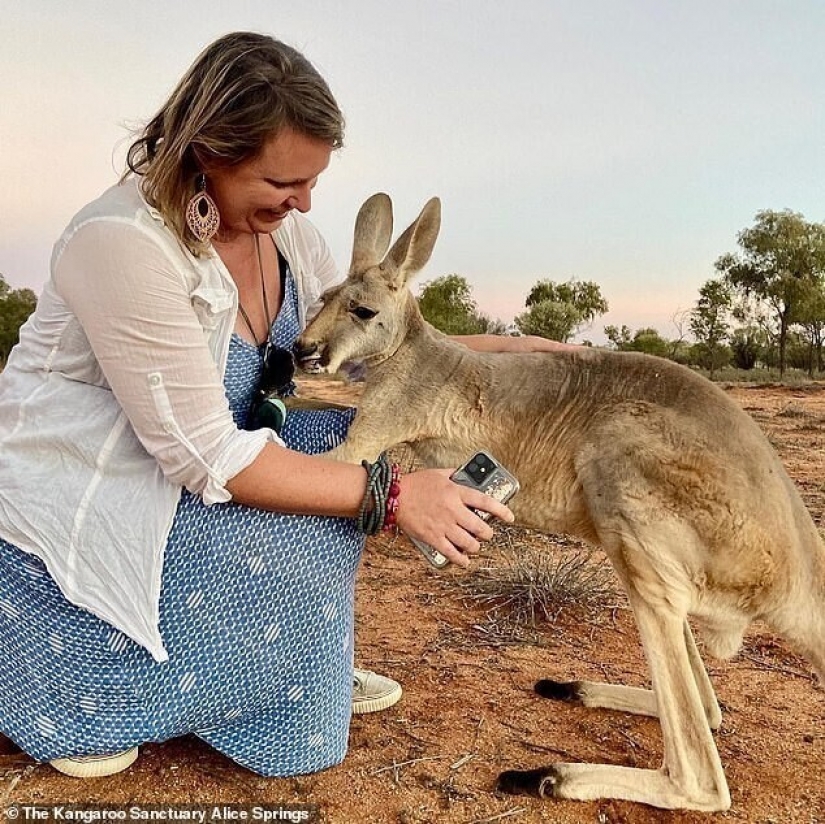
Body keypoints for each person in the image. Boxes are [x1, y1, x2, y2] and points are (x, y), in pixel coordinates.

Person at [0, 32, 563, 780]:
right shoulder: (121, 243)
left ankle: (284, 673)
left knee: (351, 437)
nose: (302, 202)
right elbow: (205, 455)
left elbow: (371, 342)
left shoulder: (286, 233)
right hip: (111, 486)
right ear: (206, 149)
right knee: (342, 488)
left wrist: (514, 352)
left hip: (214, 455)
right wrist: (393, 500)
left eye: (312, 182)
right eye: (281, 181)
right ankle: (101, 695)